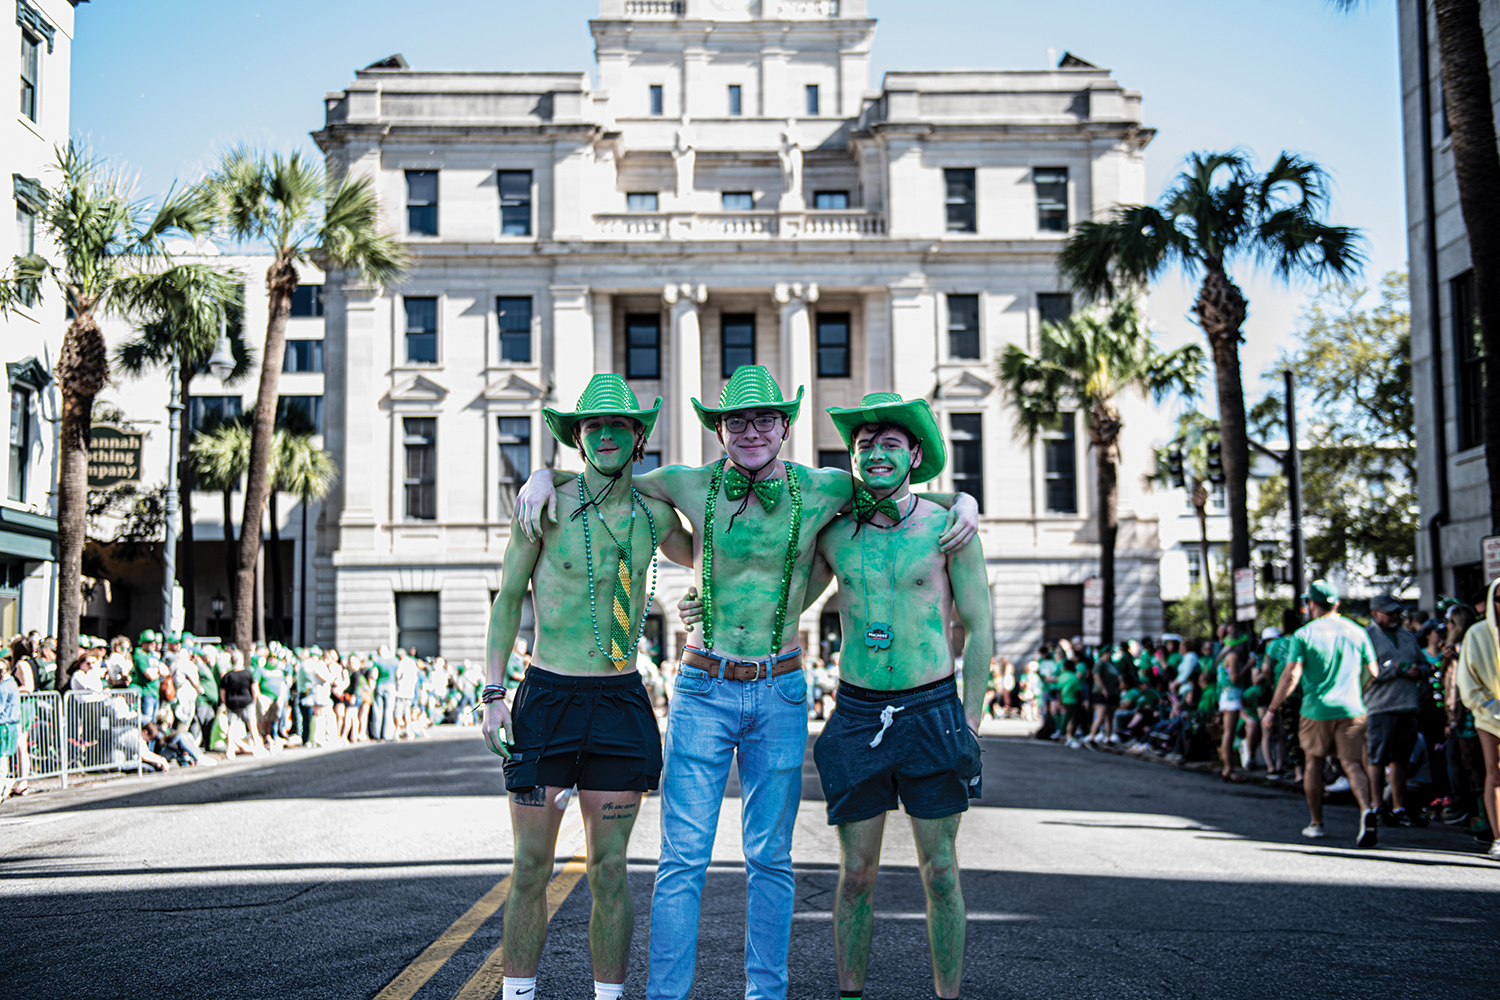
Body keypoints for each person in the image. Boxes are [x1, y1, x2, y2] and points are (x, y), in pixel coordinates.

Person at [516, 366, 979, 1000]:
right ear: (720, 429)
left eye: (765, 418)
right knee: (682, 860)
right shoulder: (687, 482)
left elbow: (905, 494)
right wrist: (546, 476)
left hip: (781, 688)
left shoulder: (824, 488)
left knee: (770, 860)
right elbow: (607, 475)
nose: (752, 430)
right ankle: (668, 995)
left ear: (786, 426)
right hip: (704, 687)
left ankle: (765, 994)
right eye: (738, 420)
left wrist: (967, 502)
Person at [483, 375, 692, 1000]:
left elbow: (720, 547)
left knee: (608, 871)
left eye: (619, 426)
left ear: (638, 438)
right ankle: (518, 994)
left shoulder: (657, 515)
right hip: (547, 699)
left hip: (621, 704)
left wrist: (710, 596)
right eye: (592, 425)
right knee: (529, 868)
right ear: (577, 438)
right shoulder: (544, 506)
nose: (604, 434)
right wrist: (492, 693)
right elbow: (507, 601)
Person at [786, 392, 990, 1000]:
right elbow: (786, 605)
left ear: (915, 455)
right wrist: (708, 609)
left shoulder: (947, 527)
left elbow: (978, 627)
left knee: (942, 871)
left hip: (933, 711)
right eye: (865, 444)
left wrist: (972, 725)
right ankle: (851, 994)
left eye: (890, 444)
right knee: (855, 875)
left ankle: (947, 996)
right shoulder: (835, 535)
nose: (875, 453)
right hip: (856, 712)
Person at [1261, 580, 1379, 847]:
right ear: (1336, 603)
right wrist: (1357, 690)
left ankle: (1316, 823)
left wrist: (1272, 708)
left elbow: (1291, 675)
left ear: (1311, 604)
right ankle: (1367, 810)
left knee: (1313, 763)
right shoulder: (1357, 631)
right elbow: (1373, 671)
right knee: (1352, 764)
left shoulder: (1304, 634)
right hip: (1352, 707)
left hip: (1316, 709)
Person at [1364, 592, 1431, 827]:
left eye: (1396, 612)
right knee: (1378, 757)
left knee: (1401, 759)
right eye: (1389, 612)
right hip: (1380, 706)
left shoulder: (1407, 636)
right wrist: (1392, 669)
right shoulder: (1367, 637)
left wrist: (1418, 671)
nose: (1395, 616)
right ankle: (1376, 806)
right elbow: (1363, 673)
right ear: (1375, 614)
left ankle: (1398, 806)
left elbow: (1424, 664)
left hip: (1407, 705)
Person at [1456, 578, 1500, 860]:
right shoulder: (1477, 632)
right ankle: (1498, 837)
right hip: (1490, 715)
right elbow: (1467, 680)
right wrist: (1487, 704)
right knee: (1495, 774)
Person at [1215, 627, 1259, 781]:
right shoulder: (1233, 656)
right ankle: (1228, 768)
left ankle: (1228, 768)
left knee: (1229, 733)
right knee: (1229, 733)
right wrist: (1248, 665)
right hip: (1231, 697)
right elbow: (1234, 678)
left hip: (1228, 696)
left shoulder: (1226, 655)